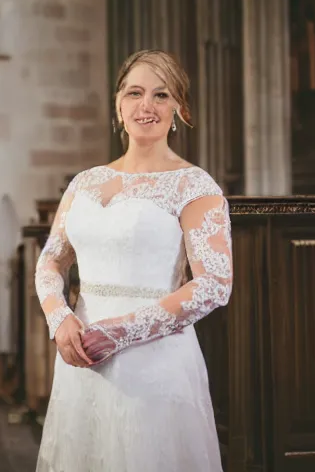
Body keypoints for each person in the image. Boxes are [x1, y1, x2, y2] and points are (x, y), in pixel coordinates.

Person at [35, 49, 233, 472]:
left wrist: (122, 332)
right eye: (134, 93)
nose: (146, 106)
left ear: (178, 107)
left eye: (161, 95)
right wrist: (59, 318)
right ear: (118, 105)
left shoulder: (193, 184)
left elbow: (215, 283)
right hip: (80, 359)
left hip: (155, 365)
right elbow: (51, 261)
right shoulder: (84, 183)